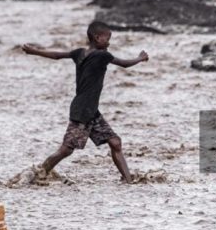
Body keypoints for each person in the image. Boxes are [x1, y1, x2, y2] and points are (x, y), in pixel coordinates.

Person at [22, 21, 149, 183]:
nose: (109, 42)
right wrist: (140, 58)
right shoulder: (103, 56)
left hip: (91, 111)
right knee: (66, 150)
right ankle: (38, 174)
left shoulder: (79, 53)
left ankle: (129, 180)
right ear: (97, 38)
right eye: (107, 38)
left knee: (115, 143)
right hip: (82, 111)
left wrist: (35, 51)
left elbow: (57, 56)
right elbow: (124, 64)